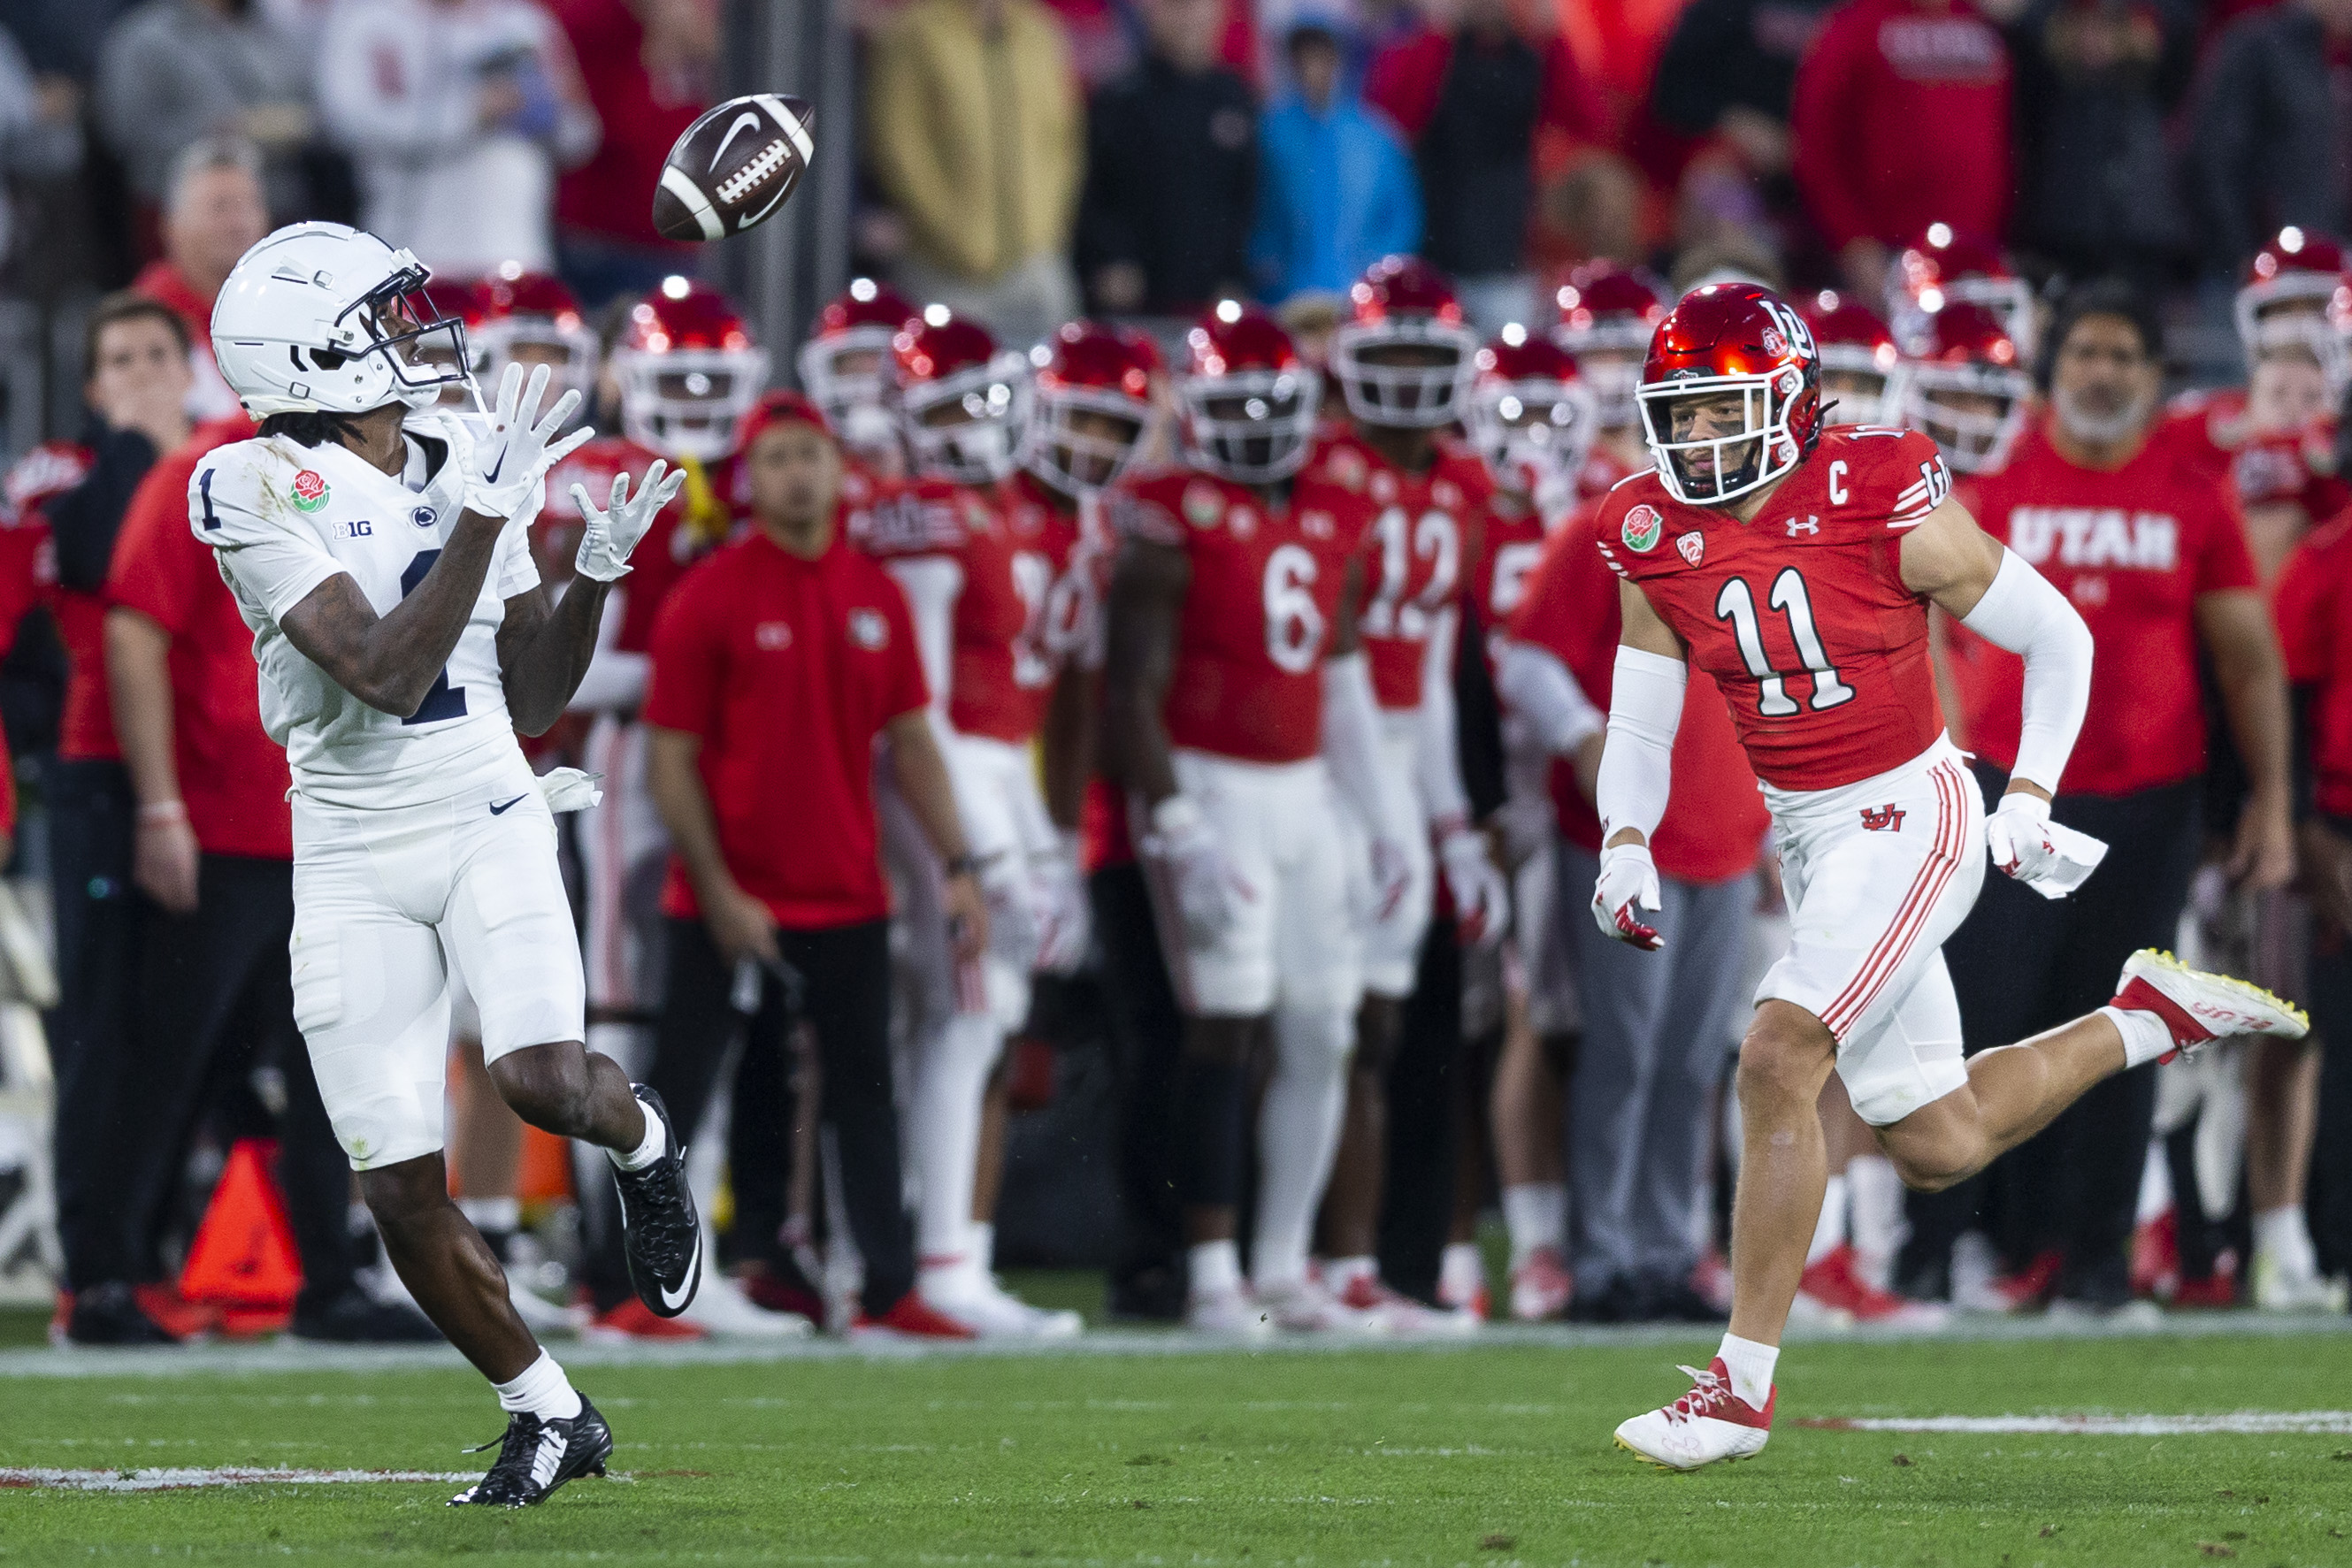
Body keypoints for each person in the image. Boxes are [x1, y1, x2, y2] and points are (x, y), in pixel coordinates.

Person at [1588, 282, 2306, 1471]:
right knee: (1936, 1137)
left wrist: (2023, 795)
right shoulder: (1646, 525)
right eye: (1681, 412)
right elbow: (1640, 721)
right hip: (1810, 835)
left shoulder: (1872, 490)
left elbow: (2055, 635)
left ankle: (1735, 1387)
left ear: (1785, 402)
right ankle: (2149, 1018)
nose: (1696, 438)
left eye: (1721, 411)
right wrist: (1623, 839)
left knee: (1775, 1052)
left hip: (1907, 809)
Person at [193, 221, 693, 1506]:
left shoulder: (470, 445)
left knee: (538, 1081)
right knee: (398, 1181)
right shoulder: (246, 485)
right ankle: (548, 1411)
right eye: (383, 316)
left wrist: (588, 574)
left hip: (484, 803)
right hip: (350, 844)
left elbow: (527, 691)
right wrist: (481, 511)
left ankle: (642, 1142)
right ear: (309, 355)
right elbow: (380, 667)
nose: (417, 334)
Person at [1905, 283, 2296, 1318]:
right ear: (2050, 367)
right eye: (2084, 350)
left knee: (2122, 1028)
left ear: (2157, 377)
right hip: (1999, 791)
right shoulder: (1990, 470)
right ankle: (1941, 1257)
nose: (2103, 371)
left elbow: (2248, 662)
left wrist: (2270, 800)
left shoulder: (2190, 486)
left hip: (2146, 803)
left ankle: (2094, 1263)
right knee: (1976, 1017)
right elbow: (1921, 627)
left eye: (2125, 353)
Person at [640, 391, 990, 1344]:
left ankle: (883, 1287)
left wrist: (958, 864)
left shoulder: (873, 595)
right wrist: (716, 889)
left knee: (864, 1090)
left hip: (846, 890)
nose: (799, 472)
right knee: (677, 1091)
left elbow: (913, 740)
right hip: (728, 893)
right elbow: (667, 756)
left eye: (812, 454)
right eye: (779, 457)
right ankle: (629, 1288)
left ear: (840, 470)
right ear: (750, 479)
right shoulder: (709, 593)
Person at [109, 409, 441, 1344]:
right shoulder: (209, 471)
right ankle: (111, 1274)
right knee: (170, 1055)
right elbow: (137, 632)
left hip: (335, 825)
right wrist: (161, 805)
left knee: (337, 1068)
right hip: (225, 824)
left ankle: (328, 1280)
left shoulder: (390, 477)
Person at [866, 316, 1154, 1335]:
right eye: (946, 412)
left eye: (984, 406)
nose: (973, 431)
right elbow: (921, 712)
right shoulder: (927, 517)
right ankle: (933, 1266)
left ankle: (948, 1255)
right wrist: (973, 851)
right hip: (936, 780)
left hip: (996, 775)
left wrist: (1048, 838)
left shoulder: (1022, 516)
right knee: (963, 1016)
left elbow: (1044, 699)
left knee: (979, 1023)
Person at [1102, 301, 1381, 1334]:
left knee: (1320, 1029)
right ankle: (1209, 1268)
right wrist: (1171, 818)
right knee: (1224, 1024)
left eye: (1275, 404)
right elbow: (1131, 689)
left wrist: (1384, 820)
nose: (1259, 424)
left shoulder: (1328, 509)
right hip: (1211, 785)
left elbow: (1343, 674)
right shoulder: (1173, 512)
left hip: (1304, 789)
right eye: (1238, 404)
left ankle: (1279, 1268)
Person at [1294, 256, 1509, 1330]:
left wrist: (1449, 824)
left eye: (1434, 353)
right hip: (1316, 757)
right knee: (1331, 1020)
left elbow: (1426, 669)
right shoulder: (1321, 469)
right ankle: (1310, 1262)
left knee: (1388, 1025)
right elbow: (1334, 657)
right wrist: (1394, 812)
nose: (1418, 374)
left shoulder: (1461, 486)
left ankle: (1367, 1263)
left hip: (1395, 753)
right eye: (1397, 353)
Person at [1502, 492, 1766, 1325]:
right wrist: (1582, 735)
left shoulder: (1777, 528)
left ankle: (1665, 1250)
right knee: (1622, 1051)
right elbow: (1527, 658)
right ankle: (1602, 1255)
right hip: (1626, 832)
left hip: (1728, 830)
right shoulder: (1618, 521)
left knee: (1692, 1061)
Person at [39, 294, 186, 1344]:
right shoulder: (78, 478)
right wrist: (137, 444)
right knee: (103, 1027)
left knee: (183, 1036)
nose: (137, 372)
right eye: (117, 360)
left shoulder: (234, 461)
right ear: (93, 390)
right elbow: (95, 559)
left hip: (211, 784)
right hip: (103, 778)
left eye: (153, 354)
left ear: (190, 366)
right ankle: (92, 1271)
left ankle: (148, 1251)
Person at [1460, 327, 1590, 1320]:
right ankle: (1531, 1241)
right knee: (1524, 1015)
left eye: (1552, 412)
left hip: (1590, 789)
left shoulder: (1604, 503)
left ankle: (1578, 1232)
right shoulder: (1458, 509)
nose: (1534, 436)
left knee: (1598, 1023)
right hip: (1497, 793)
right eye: (1514, 413)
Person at [1363, 0, 1605, 334]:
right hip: (1439, 256)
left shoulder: (1529, 57)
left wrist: (1554, 40)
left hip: (1506, 254)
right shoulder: (1439, 51)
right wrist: (1436, 34)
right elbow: (1391, 120)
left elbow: (1588, 121)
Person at [317, 0, 601, 278]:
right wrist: (472, 110)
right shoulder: (366, 18)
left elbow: (580, 135)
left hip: (516, 250)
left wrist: (539, 107)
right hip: (410, 249)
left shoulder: (523, 20)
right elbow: (347, 124)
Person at [864, 0, 1084, 349]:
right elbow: (901, 147)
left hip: (1034, 262)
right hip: (942, 268)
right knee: (944, 386)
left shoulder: (1039, 33)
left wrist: (1044, 228)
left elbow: (1062, 140)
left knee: (1053, 379)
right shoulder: (916, 33)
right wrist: (952, 233)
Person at [1789, 0, 2010, 301]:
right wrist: (1853, 244)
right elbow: (1816, 149)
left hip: (1976, 253)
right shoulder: (1856, 25)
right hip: (1886, 252)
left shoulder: (1984, 24)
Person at [1076, 0, 1256, 317]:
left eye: (1197, 6)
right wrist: (1109, 258)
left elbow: (1246, 200)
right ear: (1150, 12)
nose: (1188, 16)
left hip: (1211, 301)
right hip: (1134, 302)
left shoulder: (1236, 98)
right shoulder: (1120, 99)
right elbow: (1092, 192)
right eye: (1175, 6)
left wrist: (1235, 274)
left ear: (1220, 12)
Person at [540, 0, 709, 306]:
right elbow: (588, 134)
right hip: (599, 245)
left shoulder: (695, 24)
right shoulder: (588, 19)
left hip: (676, 248)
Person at [1248, 14, 1421, 306]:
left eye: (1323, 56)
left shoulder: (1375, 136)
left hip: (1359, 299)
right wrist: (1267, 266)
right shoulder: (1272, 132)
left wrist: (1376, 273)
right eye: (1304, 57)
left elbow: (1401, 216)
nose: (1313, 68)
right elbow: (1256, 208)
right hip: (1286, 298)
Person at [95, 0, 314, 222]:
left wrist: (290, 123)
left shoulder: (266, 29)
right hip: (177, 208)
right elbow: (125, 131)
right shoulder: (144, 38)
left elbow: (307, 102)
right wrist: (216, 133)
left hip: (275, 199)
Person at [2187, 0, 2352, 285]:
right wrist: (2239, 251)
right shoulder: (2258, 45)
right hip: (2270, 264)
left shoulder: (2335, 55)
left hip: (2338, 261)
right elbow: (2215, 156)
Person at [132, 137, 272, 420]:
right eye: (220, 207)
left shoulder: (286, 305)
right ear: (172, 226)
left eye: (249, 205)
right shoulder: (149, 318)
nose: (238, 223)